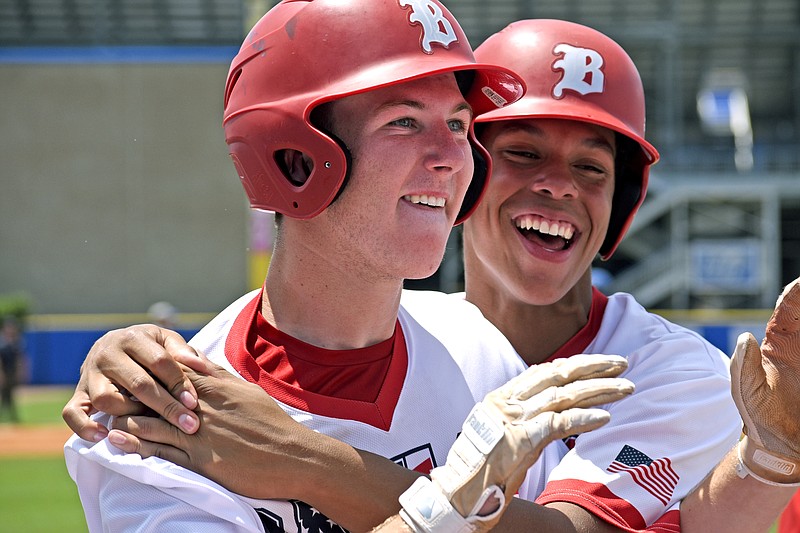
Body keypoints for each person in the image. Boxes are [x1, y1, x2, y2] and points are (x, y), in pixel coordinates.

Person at [61, 3, 636, 533]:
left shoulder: (484, 355)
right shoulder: (157, 421)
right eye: (405, 122)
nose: (450, 156)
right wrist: (447, 506)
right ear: (292, 157)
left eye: (459, 125)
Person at [0, 316, 25, 423]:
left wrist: (20, 371)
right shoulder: (2, 343)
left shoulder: (16, 342)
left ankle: (12, 417)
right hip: (4, 372)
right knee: (3, 395)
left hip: (12, 372)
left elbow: (20, 359)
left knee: (11, 395)